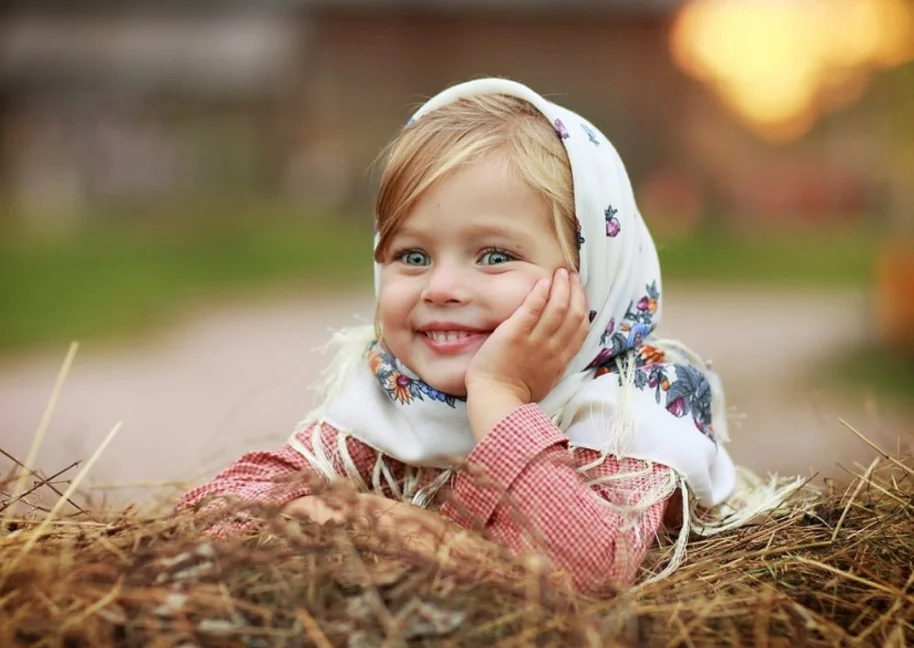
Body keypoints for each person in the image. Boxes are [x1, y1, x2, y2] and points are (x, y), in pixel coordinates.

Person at [178, 78, 800, 594]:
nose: (441, 287)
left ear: (595, 274)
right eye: (412, 256)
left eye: (495, 255)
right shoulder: (396, 399)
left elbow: (584, 576)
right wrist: (399, 528)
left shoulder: (629, 412)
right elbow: (213, 510)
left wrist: (500, 398)